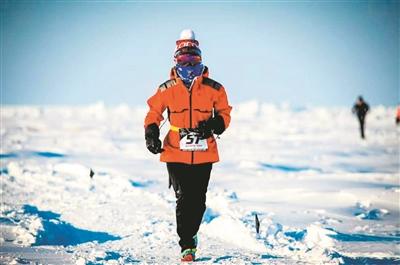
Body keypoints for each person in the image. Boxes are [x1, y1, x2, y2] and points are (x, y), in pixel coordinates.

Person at [144, 29, 232, 262]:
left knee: (198, 199)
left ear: (201, 60)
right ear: (176, 61)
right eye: (184, 58)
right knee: (184, 197)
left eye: (194, 58)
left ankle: (191, 234)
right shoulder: (167, 88)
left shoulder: (215, 88)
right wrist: (151, 132)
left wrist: (214, 124)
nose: (189, 62)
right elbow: (154, 113)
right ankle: (186, 244)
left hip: (204, 152)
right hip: (175, 150)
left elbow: (225, 113)